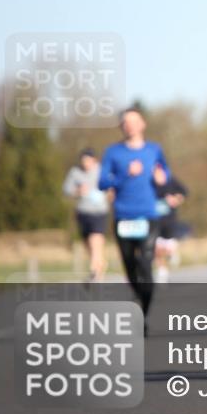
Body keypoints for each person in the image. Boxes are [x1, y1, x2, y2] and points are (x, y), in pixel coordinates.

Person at [98, 107, 171, 333]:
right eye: (125, 122)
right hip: (123, 215)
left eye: (133, 121)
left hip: (148, 214)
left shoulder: (154, 150)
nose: (129, 126)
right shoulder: (113, 152)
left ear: (143, 124)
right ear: (121, 127)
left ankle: (143, 312)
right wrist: (124, 175)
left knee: (145, 265)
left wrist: (162, 177)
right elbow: (102, 183)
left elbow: (165, 172)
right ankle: (139, 302)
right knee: (130, 267)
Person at [62, 148, 109, 282]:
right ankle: (99, 265)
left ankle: (94, 272)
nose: (85, 164)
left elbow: (111, 185)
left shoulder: (101, 171)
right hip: (83, 211)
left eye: (88, 161)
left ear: (94, 160)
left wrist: (107, 193)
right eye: (83, 161)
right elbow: (66, 189)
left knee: (96, 241)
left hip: (99, 212)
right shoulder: (75, 172)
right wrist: (77, 190)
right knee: (88, 244)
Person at [152, 174, 190, 283]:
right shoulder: (147, 181)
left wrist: (175, 199)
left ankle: (172, 253)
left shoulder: (170, 180)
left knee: (167, 248)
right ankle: (162, 270)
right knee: (155, 247)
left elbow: (184, 192)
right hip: (154, 220)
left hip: (169, 220)